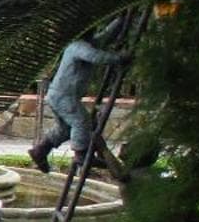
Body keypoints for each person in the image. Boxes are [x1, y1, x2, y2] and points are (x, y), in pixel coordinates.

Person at [28, 17, 128, 174]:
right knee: (80, 121)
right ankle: (81, 154)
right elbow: (96, 57)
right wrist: (119, 58)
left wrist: (121, 20)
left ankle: (40, 150)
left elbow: (106, 36)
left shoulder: (87, 44)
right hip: (64, 95)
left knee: (64, 129)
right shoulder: (77, 46)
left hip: (59, 95)